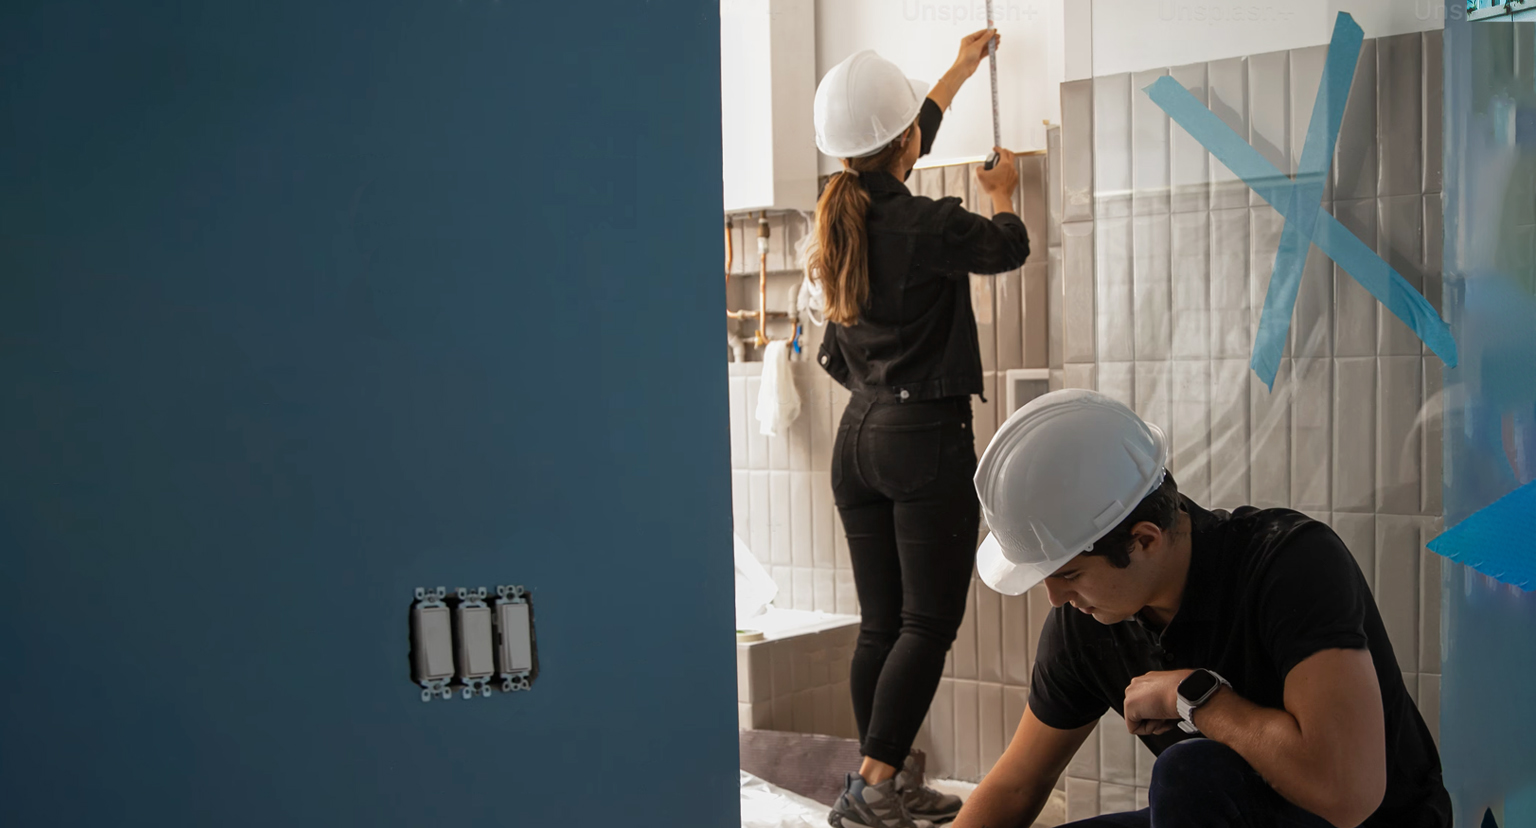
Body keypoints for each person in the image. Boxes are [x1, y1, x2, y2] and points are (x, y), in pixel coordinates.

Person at [950, 389, 1452, 828]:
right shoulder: (1087, 621)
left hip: (1373, 822)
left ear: (1144, 539)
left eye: (1068, 575)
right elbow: (1017, 786)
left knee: (1190, 775)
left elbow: (1347, 795)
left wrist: (1195, 697)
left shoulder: (1290, 564)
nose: (1056, 599)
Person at [804, 30, 1031, 828]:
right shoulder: (929, 223)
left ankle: (884, 778)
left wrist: (960, 71)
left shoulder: (843, 212)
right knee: (927, 624)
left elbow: (897, 142)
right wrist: (1005, 190)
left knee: (882, 623)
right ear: (903, 142)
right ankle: (869, 789)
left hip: (857, 437)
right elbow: (1009, 247)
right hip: (922, 439)